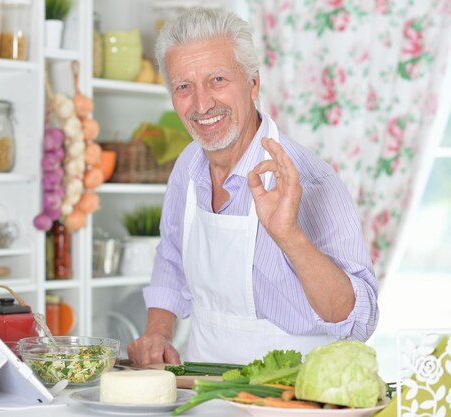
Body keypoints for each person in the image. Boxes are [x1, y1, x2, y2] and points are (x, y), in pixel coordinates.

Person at [127, 8, 379, 367]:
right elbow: (171, 257)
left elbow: (360, 322)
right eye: (184, 86)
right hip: (204, 389)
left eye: (217, 80)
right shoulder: (188, 166)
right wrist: (158, 333)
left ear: (253, 83)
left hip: (291, 394)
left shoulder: (311, 181)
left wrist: (289, 234)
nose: (201, 104)